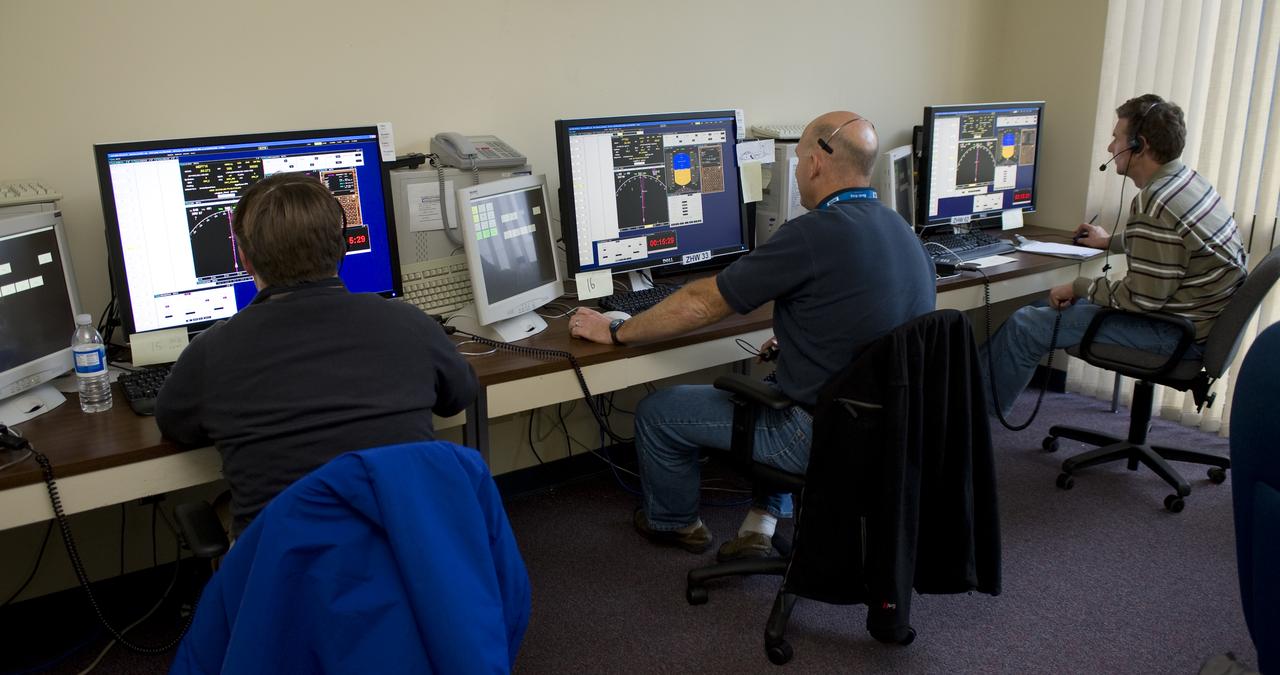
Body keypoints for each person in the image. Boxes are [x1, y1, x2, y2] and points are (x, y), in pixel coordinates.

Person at [570, 111, 936, 560]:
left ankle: (675, 523)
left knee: (658, 411)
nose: (799, 169)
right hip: (889, 430)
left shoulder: (812, 233)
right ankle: (760, 524)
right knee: (774, 384)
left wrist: (618, 330)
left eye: (799, 158)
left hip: (819, 434)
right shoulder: (901, 229)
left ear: (817, 165)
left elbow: (703, 303)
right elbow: (872, 322)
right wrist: (801, 342)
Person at [156, 173, 478, 536]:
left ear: (244, 260)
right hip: (408, 559)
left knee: (224, 510)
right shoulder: (409, 323)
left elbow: (176, 426)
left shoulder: (211, 350)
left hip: (288, 574)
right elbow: (459, 396)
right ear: (342, 248)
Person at [981, 94, 1248, 418]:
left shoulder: (1155, 202)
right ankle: (964, 404)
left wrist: (1079, 286)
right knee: (1038, 308)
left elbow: (1141, 300)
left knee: (1025, 326)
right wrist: (1110, 243)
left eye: (1116, 138)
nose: (1110, 148)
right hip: (1196, 323)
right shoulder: (1187, 182)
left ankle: (974, 429)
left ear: (1139, 145)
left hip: (1174, 333)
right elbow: (1174, 243)